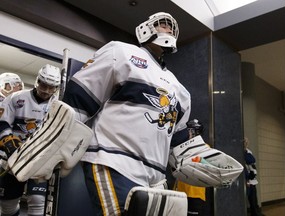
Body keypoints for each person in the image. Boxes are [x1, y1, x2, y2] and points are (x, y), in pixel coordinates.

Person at [63, 12, 191, 215]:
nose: (168, 30)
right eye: (163, 25)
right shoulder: (121, 52)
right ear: (146, 29)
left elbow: (178, 139)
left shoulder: (180, 90)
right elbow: (79, 97)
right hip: (114, 161)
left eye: (171, 27)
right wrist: (58, 143)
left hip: (156, 177)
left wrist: (197, 158)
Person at [0, 64, 61, 216]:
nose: (47, 91)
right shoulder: (16, 98)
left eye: (51, 87)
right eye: (44, 85)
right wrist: (8, 140)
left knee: (37, 201)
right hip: (12, 159)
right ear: (38, 81)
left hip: (39, 161)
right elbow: (2, 121)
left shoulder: (58, 107)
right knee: (7, 205)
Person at [174, 119, 207, 216]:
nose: (187, 133)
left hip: (194, 193)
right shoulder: (182, 147)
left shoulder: (204, 148)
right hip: (180, 192)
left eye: (190, 131)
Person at [244, 137, 265, 216]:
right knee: (249, 198)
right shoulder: (240, 152)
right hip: (245, 178)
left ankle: (256, 212)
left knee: (253, 197)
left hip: (251, 177)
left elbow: (252, 163)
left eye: (246, 142)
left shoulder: (248, 152)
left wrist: (253, 174)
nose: (246, 143)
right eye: (244, 142)